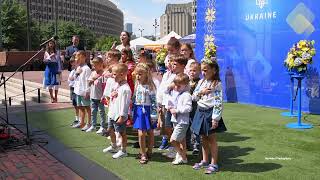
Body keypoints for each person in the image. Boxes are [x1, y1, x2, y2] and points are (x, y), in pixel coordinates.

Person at [191, 59, 227, 174]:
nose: (203, 73)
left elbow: (218, 102)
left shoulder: (217, 84)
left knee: (211, 139)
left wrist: (215, 118)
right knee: (203, 138)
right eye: (202, 70)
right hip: (200, 111)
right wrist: (202, 92)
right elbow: (194, 97)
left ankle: (214, 163)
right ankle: (205, 160)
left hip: (210, 113)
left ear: (214, 70)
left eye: (206, 70)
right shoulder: (201, 82)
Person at [103, 63, 132, 159]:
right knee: (110, 130)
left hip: (119, 115)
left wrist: (122, 116)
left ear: (122, 74)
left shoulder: (125, 89)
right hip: (112, 113)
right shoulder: (117, 85)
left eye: (115, 74)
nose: (113, 76)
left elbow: (125, 104)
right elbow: (113, 96)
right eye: (113, 74)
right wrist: (112, 94)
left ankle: (123, 150)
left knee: (122, 133)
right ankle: (113, 145)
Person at [163, 54, 188, 158]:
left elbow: (186, 92)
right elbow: (165, 90)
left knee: (180, 134)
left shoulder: (185, 78)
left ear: (182, 66)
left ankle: (182, 153)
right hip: (170, 107)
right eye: (172, 64)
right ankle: (178, 151)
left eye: (175, 64)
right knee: (170, 128)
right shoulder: (172, 76)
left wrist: (172, 86)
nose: (172, 66)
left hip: (179, 110)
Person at [132, 63, 157, 164]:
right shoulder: (137, 84)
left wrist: (154, 114)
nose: (138, 76)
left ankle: (148, 151)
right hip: (139, 110)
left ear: (146, 74)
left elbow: (154, 102)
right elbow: (135, 98)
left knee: (149, 132)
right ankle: (143, 152)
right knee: (141, 133)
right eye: (137, 74)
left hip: (147, 111)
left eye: (140, 74)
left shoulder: (150, 87)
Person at [169, 73, 192, 165]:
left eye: (179, 85)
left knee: (173, 140)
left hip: (182, 121)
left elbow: (188, 108)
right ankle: (182, 156)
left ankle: (182, 155)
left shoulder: (186, 95)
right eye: (175, 85)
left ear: (185, 85)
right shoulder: (178, 93)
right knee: (182, 140)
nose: (176, 87)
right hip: (176, 120)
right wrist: (170, 107)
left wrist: (177, 110)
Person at [86, 57, 106, 133]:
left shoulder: (103, 74)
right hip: (93, 96)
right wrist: (92, 80)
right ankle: (93, 126)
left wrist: (103, 96)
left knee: (101, 112)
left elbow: (105, 86)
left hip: (100, 97)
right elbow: (88, 83)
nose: (94, 67)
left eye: (95, 65)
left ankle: (102, 126)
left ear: (101, 65)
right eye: (93, 65)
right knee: (93, 112)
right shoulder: (93, 73)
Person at [72, 51, 92, 130]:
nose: (76, 59)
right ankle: (81, 122)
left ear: (84, 57)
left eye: (78, 57)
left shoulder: (86, 68)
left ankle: (89, 123)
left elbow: (88, 81)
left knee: (87, 107)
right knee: (80, 107)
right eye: (76, 57)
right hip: (78, 91)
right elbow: (74, 78)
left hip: (84, 92)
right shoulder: (78, 67)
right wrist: (76, 73)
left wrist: (87, 91)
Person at [186, 62, 201, 155]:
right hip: (186, 107)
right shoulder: (186, 81)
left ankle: (196, 145)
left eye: (195, 71)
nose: (192, 72)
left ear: (199, 72)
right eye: (191, 70)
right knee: (186, 125)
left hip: (196, 107)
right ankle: (188, 144)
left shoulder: (200, 82)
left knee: (195, 126)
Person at [68, 55, 80, 126]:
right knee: (75, 104)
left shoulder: (79, 71)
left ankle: (80, 120)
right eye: (71, 62)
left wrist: (73, 77)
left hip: (77, 89)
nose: (72, 64)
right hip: (72, 88)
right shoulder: (72, 71)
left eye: (74, 62)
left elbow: (73, 79)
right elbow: (70, 79)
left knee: (79, 105)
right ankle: (77, 119)